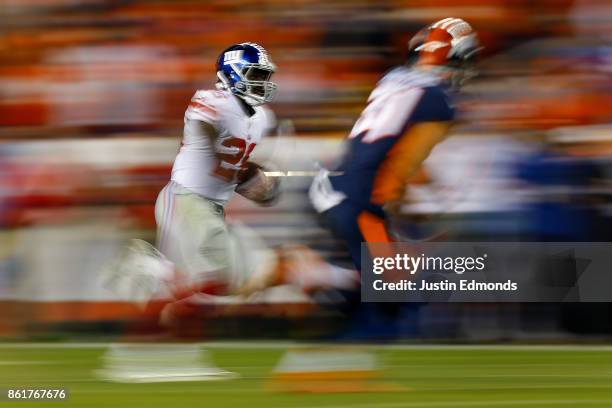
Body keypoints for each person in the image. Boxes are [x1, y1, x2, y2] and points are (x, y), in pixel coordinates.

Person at [309, 17, 482, 271]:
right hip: (357, 203)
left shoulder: (391, 79)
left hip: (329, 187)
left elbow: (381, 151)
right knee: (397, 291)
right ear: (452, 59)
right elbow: (402, 165)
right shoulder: (438, 102)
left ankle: (319, 277)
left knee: (368, 285)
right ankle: (303, 274)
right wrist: (438, 195)